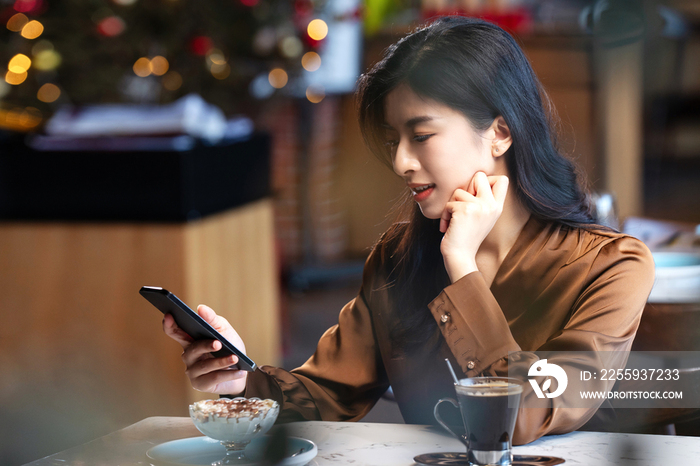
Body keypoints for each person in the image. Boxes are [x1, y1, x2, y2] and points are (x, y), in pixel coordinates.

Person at [163, 16, 654, 444]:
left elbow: (521, 416)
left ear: (500, 132)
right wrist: (239, 378)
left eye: (420, 135)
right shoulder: (399, 257)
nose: (400, 161)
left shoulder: (612, 266)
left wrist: (461, 266)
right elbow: (327, 396)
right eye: (393, 139)